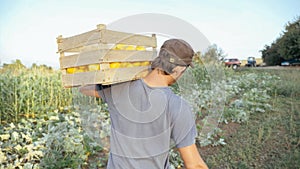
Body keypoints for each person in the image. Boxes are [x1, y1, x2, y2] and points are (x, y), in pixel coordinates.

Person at [80, 39, 208, 169]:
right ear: (177, 70)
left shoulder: (119, 89)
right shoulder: (178, 106)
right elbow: (194, 164)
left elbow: (84, 88)